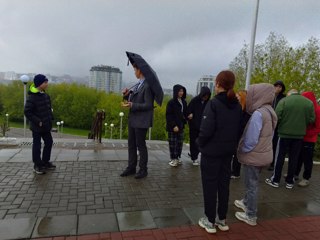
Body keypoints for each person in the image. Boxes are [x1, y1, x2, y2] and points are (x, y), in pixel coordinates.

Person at [197, 70, 242, 234]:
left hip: (211, 153)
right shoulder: (237, 105)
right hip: (228, 152)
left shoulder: (214, 104)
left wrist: (199, 143)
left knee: (210, 186)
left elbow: (206, 130)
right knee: (224, 185)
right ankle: (221, 219)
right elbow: (239, 129)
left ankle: (209, 220)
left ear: (218, 84)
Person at [234, 83, 277, 226]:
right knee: (252, 182)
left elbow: (251, 139)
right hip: (264, 154)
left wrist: (243, 150)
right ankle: (246, 202)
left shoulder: (259, 113)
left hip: (254, 155)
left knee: (251, 184)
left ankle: (251, 215)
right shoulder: (270, 111)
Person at [265, 89, 315, 189]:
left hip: (284, 135)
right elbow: (312, 119)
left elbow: (276, 116)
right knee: (294, 158)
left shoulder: (284, 101)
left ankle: (275, 180)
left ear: (289, 94)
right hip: (299, 136)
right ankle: (290, 181)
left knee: (279, 157)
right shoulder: (309, 103)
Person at [120, 63, 155, 179]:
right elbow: (131, 99)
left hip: (141, 120)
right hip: (133, 119)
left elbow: (148, 105)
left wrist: (133, 105)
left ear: (139, 70)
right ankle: (131, 167)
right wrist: (126, 96)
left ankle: (143, 170)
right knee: (131, 144)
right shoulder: (137, 85)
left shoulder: (147, 86)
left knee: (140, 145)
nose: (134, 72)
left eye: (135, 70)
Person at [24, 74, 55, 175]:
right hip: (37, 127)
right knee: (37, 146)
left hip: (46, 125)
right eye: (45, 82)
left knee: (49, 142)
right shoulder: (32, 97)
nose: (47, 84)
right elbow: (27, 112)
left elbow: (48, 109)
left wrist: (51, 118)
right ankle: (37, 165)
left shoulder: (45, 95)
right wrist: (38, 121)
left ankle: (45, 162)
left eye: (46, 82)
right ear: (39, 84)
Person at [294, 91, 320, 187]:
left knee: (307, 159)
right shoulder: (307, 108)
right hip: (301, 137)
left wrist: (306, 133)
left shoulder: (317, 110)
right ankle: (295, 174)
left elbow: (318, 128)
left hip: (309, 139)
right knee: (298, 157)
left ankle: (306, 178)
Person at [187, 86, 211, 166]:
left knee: (200, 142)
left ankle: (196, 155)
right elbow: (188, 111)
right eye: (204, 95)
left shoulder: (208, 103)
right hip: (194, 126)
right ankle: (194, 158)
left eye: (207, 96)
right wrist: (190, 114)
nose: (205, 97)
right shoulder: (194, 100)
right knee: (193, 142)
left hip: (203, 126)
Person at [166, 84, 188, 167]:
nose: (181, 93)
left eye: (182, 91)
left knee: (179, 143)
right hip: (173, 127)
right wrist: (174, 125)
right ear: (176, 92)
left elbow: (185, 113)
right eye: (179, 91)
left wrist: (188, 116)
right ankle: (173, 159)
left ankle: (177, 157)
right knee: (173, 143)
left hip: (181, 126)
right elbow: (169, 115)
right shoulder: (171, 102)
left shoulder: (184, 102)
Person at [231, 90, 251, 178]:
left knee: (237, 153)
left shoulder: (246, 110)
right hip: (237, 133)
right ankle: (234, 171)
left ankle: (236, 172)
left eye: (238, 96)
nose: (236, 97)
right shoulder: (238, 107)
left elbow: (243, 124)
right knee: (236, 153)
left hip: (241, 134)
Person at [268, 80, 286, 171]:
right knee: (267, 143)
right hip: (268, 123)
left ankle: (272, 163)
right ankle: (266, 160)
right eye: (276, 86)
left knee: (275, 144)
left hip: (278, 125)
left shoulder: (283, 98)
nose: (277, 88)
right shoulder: (269, 96)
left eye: (280, 87)